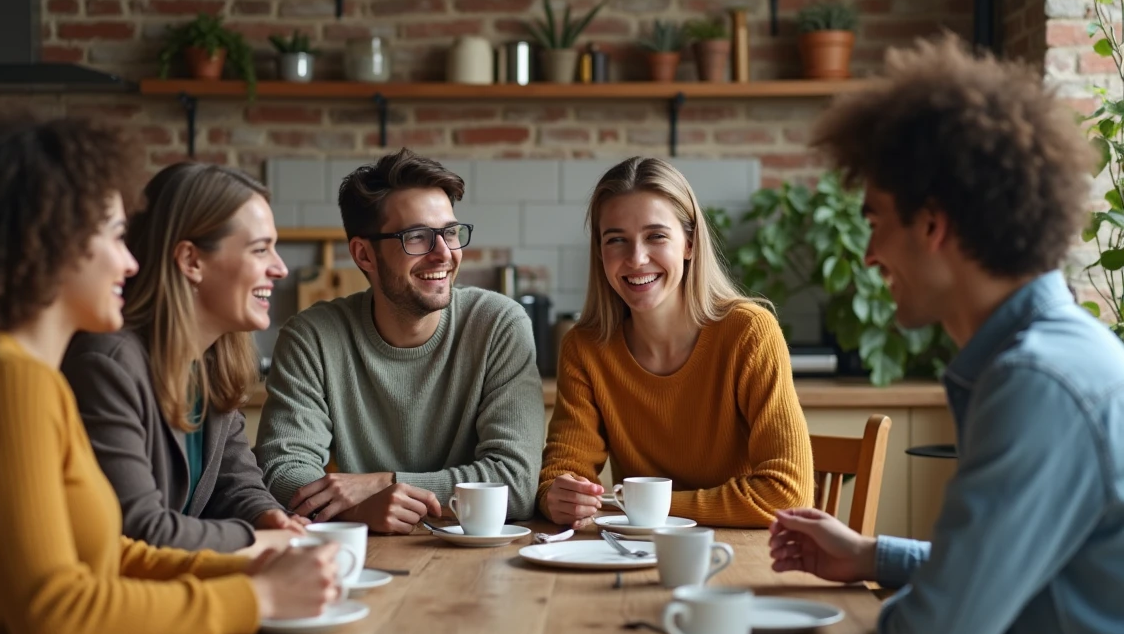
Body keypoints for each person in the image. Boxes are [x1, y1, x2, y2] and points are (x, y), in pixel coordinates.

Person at [0, 115, 341, 634]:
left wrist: (258, 566)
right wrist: (259, 599)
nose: (130, 260)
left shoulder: (29, 377)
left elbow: (110, 554)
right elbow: (57, 616)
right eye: (117, 237)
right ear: (51, 243)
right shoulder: (4, 381)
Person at [767, 35, 1124, 634]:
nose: (870, 254)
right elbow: (1029, 575)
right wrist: (873, 556)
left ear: (932, 224)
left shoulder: (1036, 385)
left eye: (875, 221)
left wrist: (917, 614)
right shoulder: (1048, 359)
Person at [256, 149, 544, 534]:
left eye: (450, 233)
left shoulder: (498, 325)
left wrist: (384, 484)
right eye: (417, 237)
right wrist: (361, 510)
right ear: (364, 255)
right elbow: (281, 472)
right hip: (360, 551)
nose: (444, 254)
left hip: (479, 552)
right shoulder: (312, 338)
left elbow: (516, 485)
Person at [538, 157, 813, 529]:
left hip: (739, 552)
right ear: (600, 252)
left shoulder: (749, 333)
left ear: (689, 243)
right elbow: (562, 474)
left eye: (656, 236)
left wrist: (643, 507)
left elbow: (788, 495)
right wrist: (560, 496)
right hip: (635, 551)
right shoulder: (585, 348)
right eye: (616, 240)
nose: (636, 259)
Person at [62, 162, 301, 554]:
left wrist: (269, 517)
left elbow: (236, 486)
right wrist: (261, 540)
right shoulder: (107, 364)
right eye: (260, 250)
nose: (281, 268)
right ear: (191, 260)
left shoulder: (213, 360)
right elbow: (140, 529)